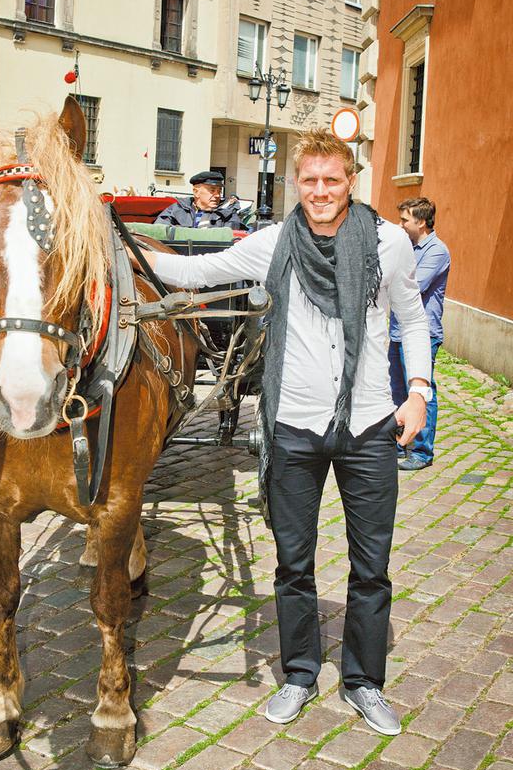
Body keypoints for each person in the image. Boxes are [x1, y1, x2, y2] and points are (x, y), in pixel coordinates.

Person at [140, 130, 431, 736]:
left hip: (371, 422)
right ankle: (300, 673)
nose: (321, 191)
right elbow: (194, 273)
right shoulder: (274, 243)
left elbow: (411, 315)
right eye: (310, 180)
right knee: (293, 561)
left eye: (332, 180)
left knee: (371, 564)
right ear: (296, 183)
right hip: (293, 426)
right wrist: (118, 248)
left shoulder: (388, 244)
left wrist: (421, 394)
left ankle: (364, 682)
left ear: (351, 180)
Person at [388, 198, 450, 471]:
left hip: (423, 334)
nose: (400, 224)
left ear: (421, 221)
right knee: (397, 391)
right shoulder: (408, 248)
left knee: (422, 393)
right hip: (397, 331)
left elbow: (413, 286)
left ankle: (423, 452)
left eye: (405, 220)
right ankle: (401, 444)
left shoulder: (437, 251)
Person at [155, 171, 247, 229]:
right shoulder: (176, 209)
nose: (217, 195)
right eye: (212, 190)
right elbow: (158, 230)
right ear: (196, 192)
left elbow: (231, 240)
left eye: (219, 191)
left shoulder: (228, 213)